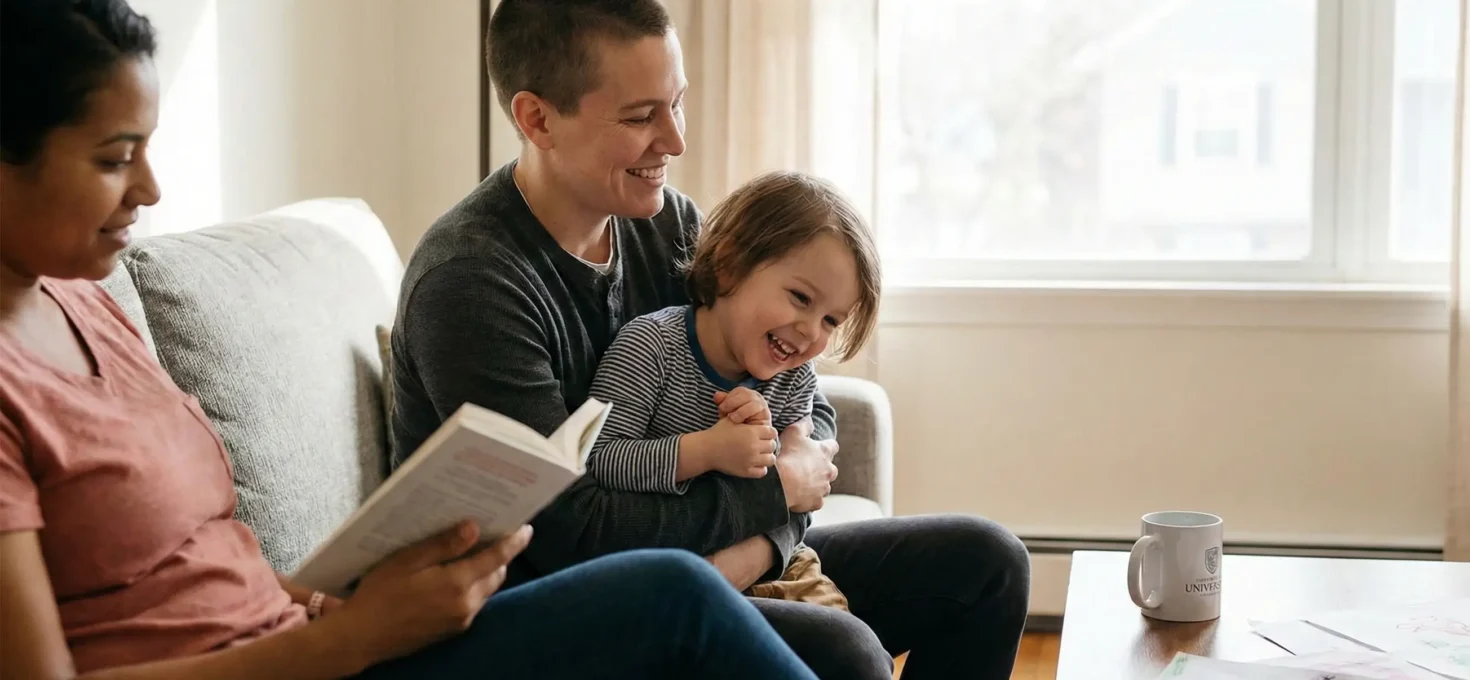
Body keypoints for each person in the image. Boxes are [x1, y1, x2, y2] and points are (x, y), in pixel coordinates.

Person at [0, 1, 821, 679]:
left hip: (321, 640)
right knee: (678, 594)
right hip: (332, 659)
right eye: (115, 158)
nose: (150, 188)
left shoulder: (86, 307)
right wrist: (347, 639)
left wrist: (321, 600)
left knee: (949, 561)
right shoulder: (476, 276)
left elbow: (203, 574)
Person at [390, 0, 1032, 677]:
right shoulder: (473, 284)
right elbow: (568, 535)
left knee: (986, 562)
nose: (675, 140)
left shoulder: (665, 226)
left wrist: (764, 535)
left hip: (704, 562)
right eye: (641, 116)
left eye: (678, 104)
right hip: (549, 609)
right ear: (537, 118)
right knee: (843, 650)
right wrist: (772, 502)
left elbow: (796, 414)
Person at [584, 170, 884, 614]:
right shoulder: (650, 347)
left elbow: (799, 480)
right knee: (843, 650)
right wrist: (705, 451)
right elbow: (599, 459)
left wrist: (773, 440)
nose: (809, 332)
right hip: (668, 566)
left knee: (855, 643)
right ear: (729, 264)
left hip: (779, 561)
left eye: (830, 321)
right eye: (801, 298)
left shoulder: (793, 375)